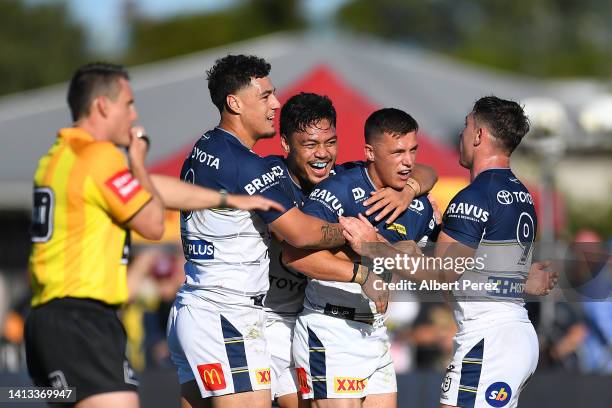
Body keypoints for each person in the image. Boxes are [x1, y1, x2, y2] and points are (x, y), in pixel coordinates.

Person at [25, 62, 285, 408]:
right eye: (128, 104)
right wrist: (137, 161)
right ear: (103, 106)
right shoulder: (99, 156)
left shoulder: (56, 157)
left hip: (47, 320)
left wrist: (225, 199)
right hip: (82, 319)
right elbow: (149, 222)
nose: (133, 116)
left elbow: (156, 192)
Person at [166, 55, 365, 408]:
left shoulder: (207, 145)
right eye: (266, 96)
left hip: (199, 305)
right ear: (235, 102)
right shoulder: (243, 164)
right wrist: (352, 232)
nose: (276, 103)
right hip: (226, 312)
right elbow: (301, 235)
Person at [340, 96, 558, 408]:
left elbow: (442, 275)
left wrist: (373, 246)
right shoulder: (521, 193)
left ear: (479, 135)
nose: (461, 133)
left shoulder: (474, 196)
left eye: (467, 125)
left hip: (488, 338)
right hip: (512, 335)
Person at [263, 94, 438, 407]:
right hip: (308, 323)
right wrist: (363, 271)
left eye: (412, 150)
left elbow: (428, 271)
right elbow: (294, 253)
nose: (407, 161)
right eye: (398, 152)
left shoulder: (412, 198)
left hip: (374, 330)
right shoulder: (312, 185)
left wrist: (409, 194)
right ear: (287, 145)